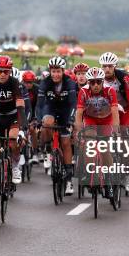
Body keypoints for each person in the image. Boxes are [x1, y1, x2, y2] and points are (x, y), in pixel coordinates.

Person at [75, 67, 120, 195]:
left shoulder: (110, 90)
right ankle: (90, 172)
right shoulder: (83, 92)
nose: (95, 85)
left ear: (102, 81)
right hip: (91, 120)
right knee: (88, 143)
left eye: (98, 82)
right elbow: (79, 114)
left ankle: (109, 179)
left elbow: (115, 112)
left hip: (106, 120)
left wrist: (116, 131)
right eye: (92, 82)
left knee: (105, 150)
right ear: (88, 82)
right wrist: (78, 131)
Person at [37, 56, 78, 195]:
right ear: (50, 71)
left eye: (58, 71)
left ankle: (68, 180)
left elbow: (73, 103)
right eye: (53, 71)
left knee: (66, 143)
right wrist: (38, 119)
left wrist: (71, 119)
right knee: (46, 124)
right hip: (51, 109)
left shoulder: (70, 83)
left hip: (66, 111)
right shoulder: (45, 83)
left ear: (63, 71)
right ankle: (49, 151)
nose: (55, 74)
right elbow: (40, 104)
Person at [0, 56, 28, 185]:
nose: (2, 74)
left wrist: (22, 129)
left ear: (10, 71)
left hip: (12, 116)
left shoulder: (14, 83)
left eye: (6, 72)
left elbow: (20, 105)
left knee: (13, 141)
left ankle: (15, 166)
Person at [99, 52, 129, 128]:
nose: (107, 69)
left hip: (125, 109)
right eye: (104, 66)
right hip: (108, 110)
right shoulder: (98, 79)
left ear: (115, 66)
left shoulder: (123, 77)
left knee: (125, 132)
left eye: (110, 66)